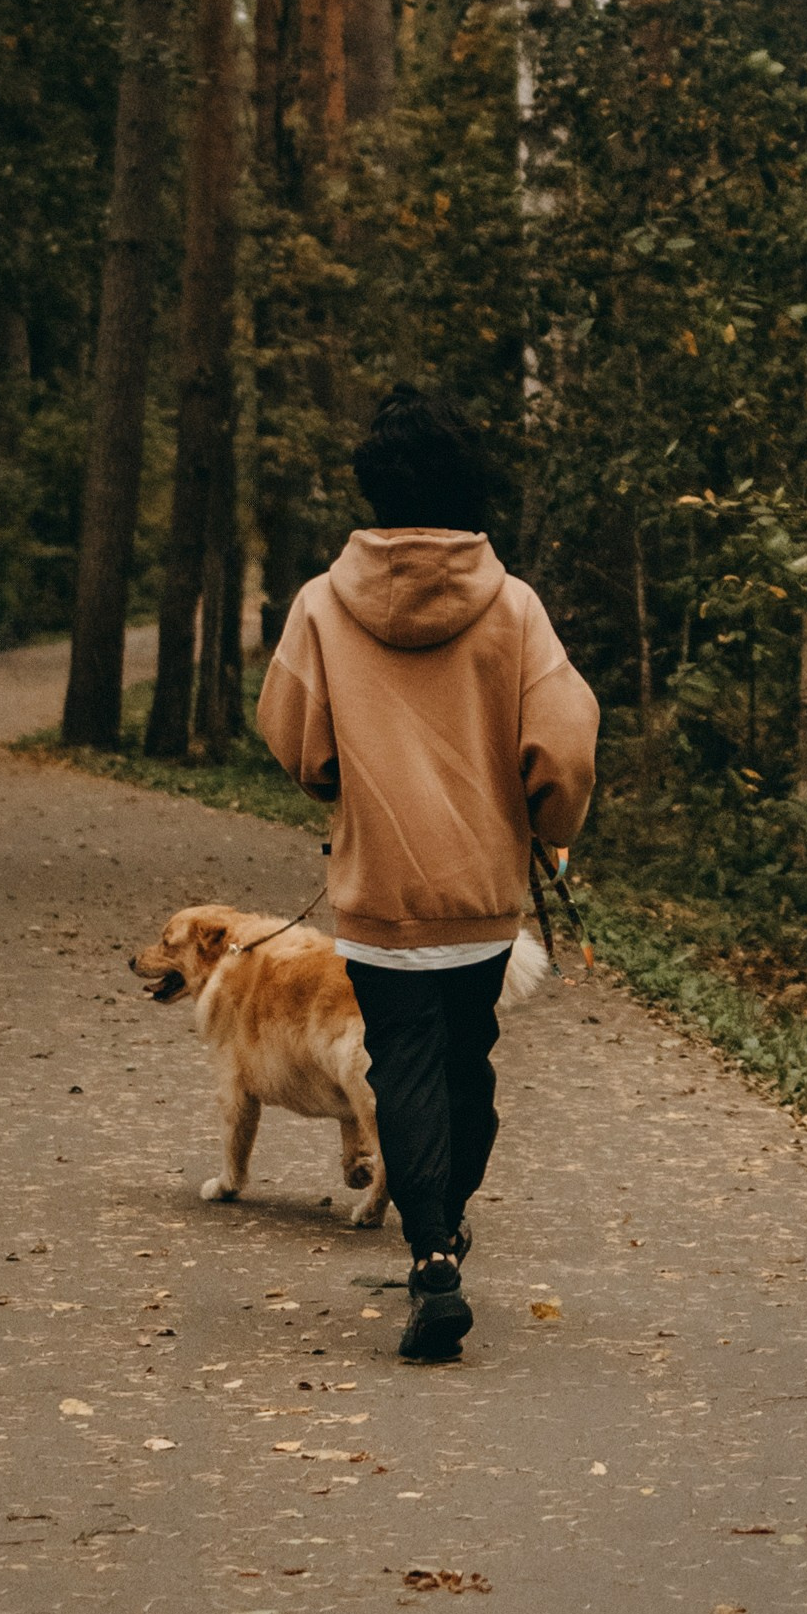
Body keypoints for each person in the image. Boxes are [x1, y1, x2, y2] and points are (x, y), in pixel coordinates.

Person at [256, 383, 599, 1362]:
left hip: (377, 900)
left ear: (373, 486)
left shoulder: (323, 606)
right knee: (464, 1071)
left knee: (399, 1067)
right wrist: (550, 827)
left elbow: (291, 734)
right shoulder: (515, 610)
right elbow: (564, 753)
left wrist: (337, 781)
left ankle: (432, 1254)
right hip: (480, 899)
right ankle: (441, 1229)